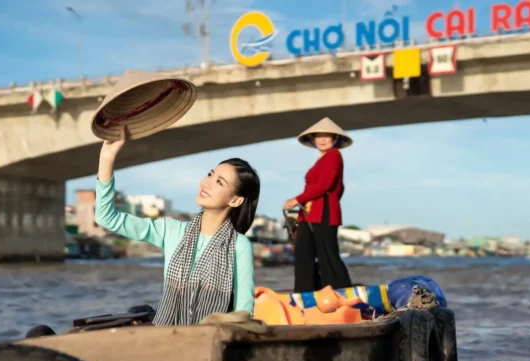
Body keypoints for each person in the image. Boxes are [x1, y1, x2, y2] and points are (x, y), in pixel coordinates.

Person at [95, 126, 261, 326]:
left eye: (219, 182)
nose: (206, 183)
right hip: (167, 334)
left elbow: (244, 312)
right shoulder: (172, 231)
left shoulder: (239, 245)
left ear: (235, 200)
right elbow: (106, 217)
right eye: (210, 174)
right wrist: (107, 158)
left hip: (210, 339)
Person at [284, 117, 353, 293]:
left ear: (334, 139)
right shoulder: (322, 160)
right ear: (313, 139)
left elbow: (325, 185)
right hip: (309, 214)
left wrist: (296, 200)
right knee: (303, 254)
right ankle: (304, 293)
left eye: (326, 136)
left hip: (324, 213)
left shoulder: (334, 155)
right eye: (318, 136)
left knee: (328, 255)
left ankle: (342, 292)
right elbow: (339, 187)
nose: (322, 139)